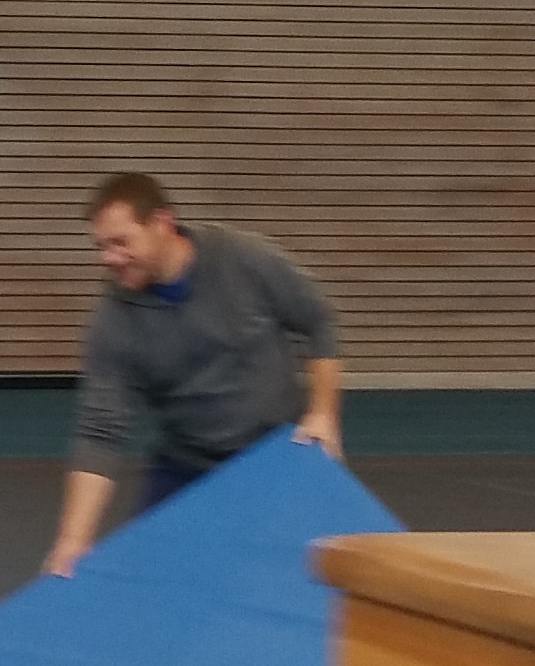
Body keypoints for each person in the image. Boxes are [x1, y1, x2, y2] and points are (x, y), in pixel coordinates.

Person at [46, 173, 340, 578]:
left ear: (162, 224)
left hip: (274, 457)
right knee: (149, 586)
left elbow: (318, 321)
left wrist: (323, 413)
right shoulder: (114, 321)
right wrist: (72, 539)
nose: (110, 258)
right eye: (102, 246)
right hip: (186, 464)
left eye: (120, 242)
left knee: (306, 582)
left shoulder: (243, 259)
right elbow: (100, 432)